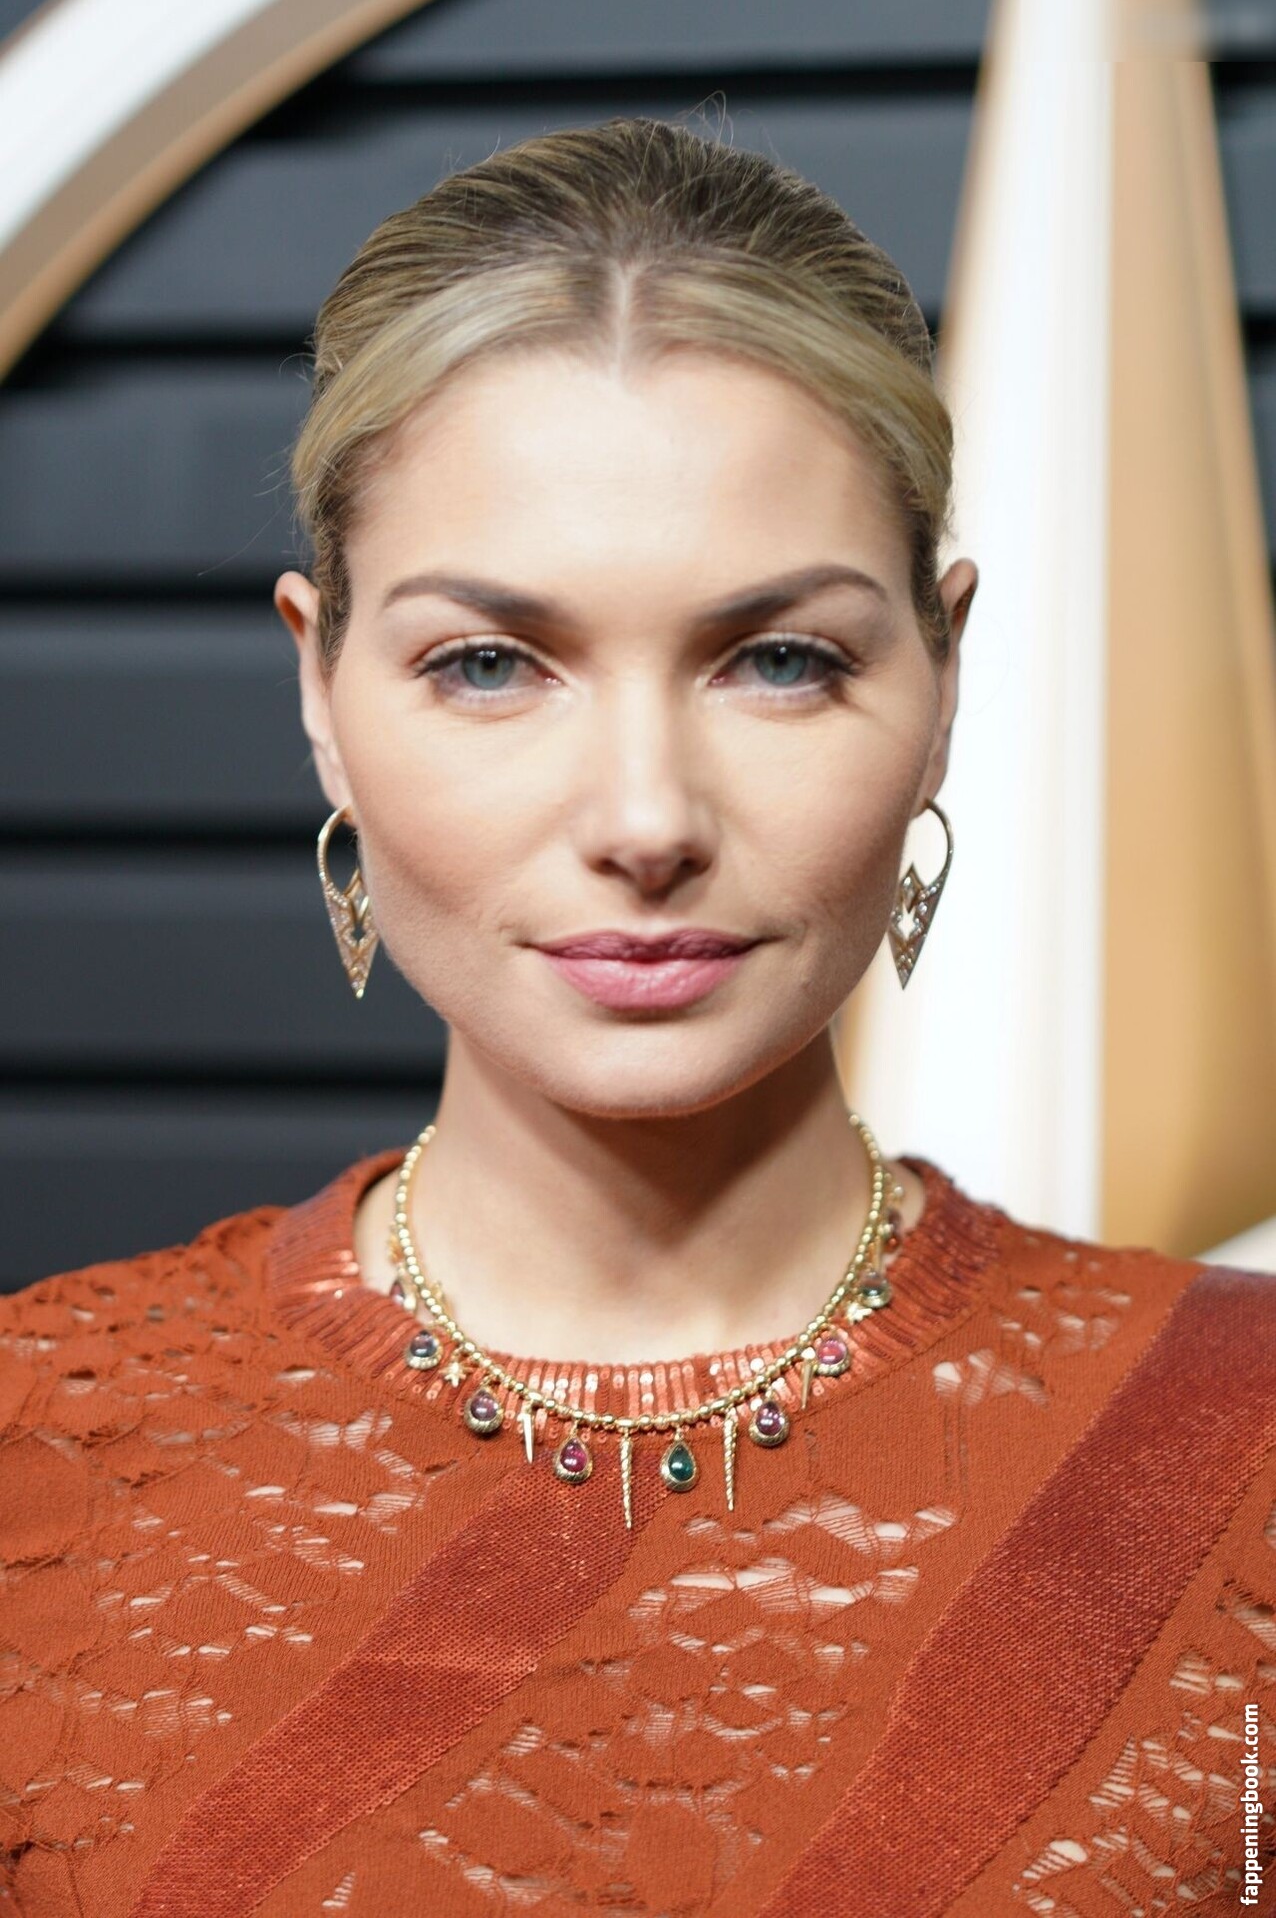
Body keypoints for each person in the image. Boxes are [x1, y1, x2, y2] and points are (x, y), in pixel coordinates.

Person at [2, 116, 1272, 1918]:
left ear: (944, 679)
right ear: (322, 691)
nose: (646, 819)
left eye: (781, 660)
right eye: (489, 665)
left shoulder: (1245, 1444)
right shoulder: (30, 1447)